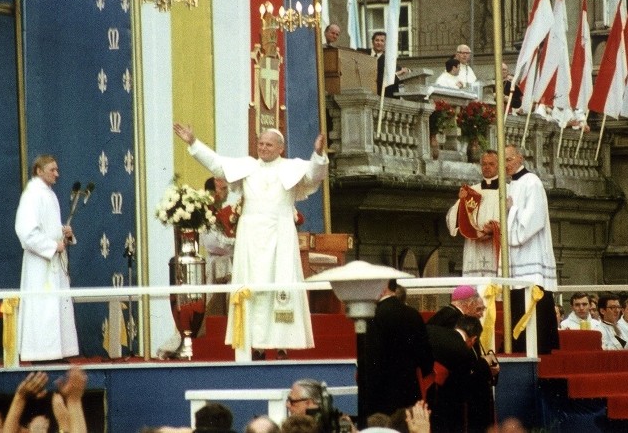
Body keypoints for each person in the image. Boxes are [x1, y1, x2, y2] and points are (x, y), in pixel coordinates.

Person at [173, 123, 328, 361]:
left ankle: (282, 344)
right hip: (251, 237)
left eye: (268, 144)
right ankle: (254, 344)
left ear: (280, 148)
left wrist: (317, 154)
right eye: (260, 144)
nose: (263, 148)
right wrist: (194, 142)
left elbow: (314, 174)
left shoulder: (291, 167)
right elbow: (217, 164)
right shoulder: (247, 166)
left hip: (280, 235)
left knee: (280, 287)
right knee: (253, 290)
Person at [15, 154, 79, 362]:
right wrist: (53, 246)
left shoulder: (49, 194)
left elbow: (48, 228)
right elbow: (26, 232)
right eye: (52, 170)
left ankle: (56, 352)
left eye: (57, 169)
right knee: (43, 310)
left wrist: (64, 233)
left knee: (55, 307)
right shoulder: (32, 194)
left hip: (53, 264)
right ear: (38, 171)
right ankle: (43, 354)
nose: (57, 174)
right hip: (40, 266)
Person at [504, 144, 559, 355]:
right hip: (516, 258)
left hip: (530, 254)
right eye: (504, 161)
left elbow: (534, 221)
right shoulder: (509, 184)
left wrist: (512, 210)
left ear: (520, 158)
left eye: (509, 160)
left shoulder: (532, 182)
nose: (506, 165)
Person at [363, 280, 434, 418]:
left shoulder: (373, 315)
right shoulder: (413, 314)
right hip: (409, 389)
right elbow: (426, 356)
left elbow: (371, 360)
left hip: (381, 394)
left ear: (383, 287)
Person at [445, 150, 501, 278]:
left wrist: (494, 229)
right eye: (484, 164)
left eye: (491, 164)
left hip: (496, 246)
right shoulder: (472, 191)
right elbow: (453, 219)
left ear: (499, 165)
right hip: (473, 248)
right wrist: (461, 202)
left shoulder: (507, 190)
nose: (487, 167)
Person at [425, 314, 481, 433]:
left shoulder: (430, 329)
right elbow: (462, 391)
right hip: (436, 402)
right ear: (473, 339)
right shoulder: (465, 352)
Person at [201, 176, 238, 314]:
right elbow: (212, 243)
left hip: (228, 263)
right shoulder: (205, 213)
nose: (227, 192)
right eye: (223, 189)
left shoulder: (221, 211)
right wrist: (239, 243)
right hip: (216, 263)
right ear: (212, 192)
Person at [373, 31, 409, 97]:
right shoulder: (367, 55)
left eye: (382, 41)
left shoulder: (388, 59)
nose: (379, 43)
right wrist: (398, 73)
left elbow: (402, 71)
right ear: (373, 42)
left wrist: (406, 71)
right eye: (377, 40)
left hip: (386, 96)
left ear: (385, 44)